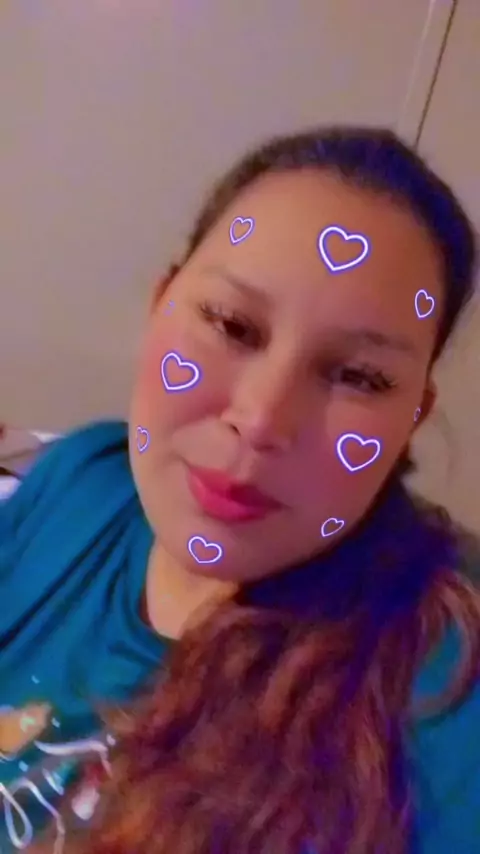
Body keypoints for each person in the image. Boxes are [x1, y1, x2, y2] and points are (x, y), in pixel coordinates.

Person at [1, 125, 479, 854]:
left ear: (412, 415)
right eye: (231, 324)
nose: (261, 420)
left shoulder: (442, 690)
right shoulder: (86, 478)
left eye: (359, 376)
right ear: (162, 301)